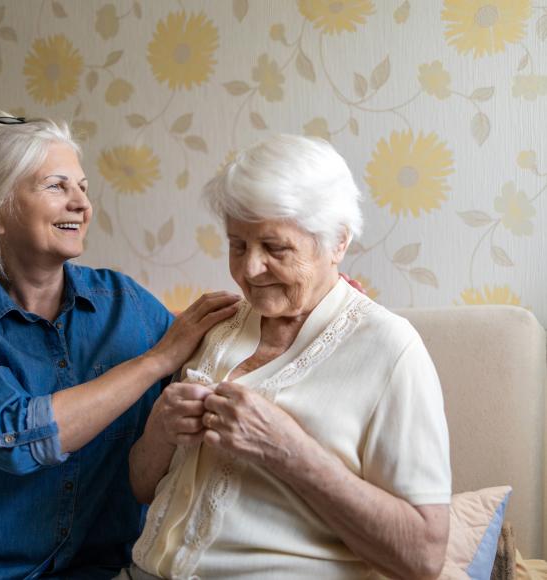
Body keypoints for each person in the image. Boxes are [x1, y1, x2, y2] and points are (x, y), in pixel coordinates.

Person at [121, 134, 452, 580]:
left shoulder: (390, 349)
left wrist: (289, 452)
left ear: (337, 243)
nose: (249, 269)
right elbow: (142, 488)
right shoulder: (214, 324)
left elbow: (424, 557)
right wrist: (161, 425)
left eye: (275, 248)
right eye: (237, 245)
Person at [0, 114, 241, 580]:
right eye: (56, 186)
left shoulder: (124, 302)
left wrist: (317, 310)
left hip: (114, 571)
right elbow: (16, 437)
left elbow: (218, 353)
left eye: (82, 187)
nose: (81, 204)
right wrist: (153, 361)